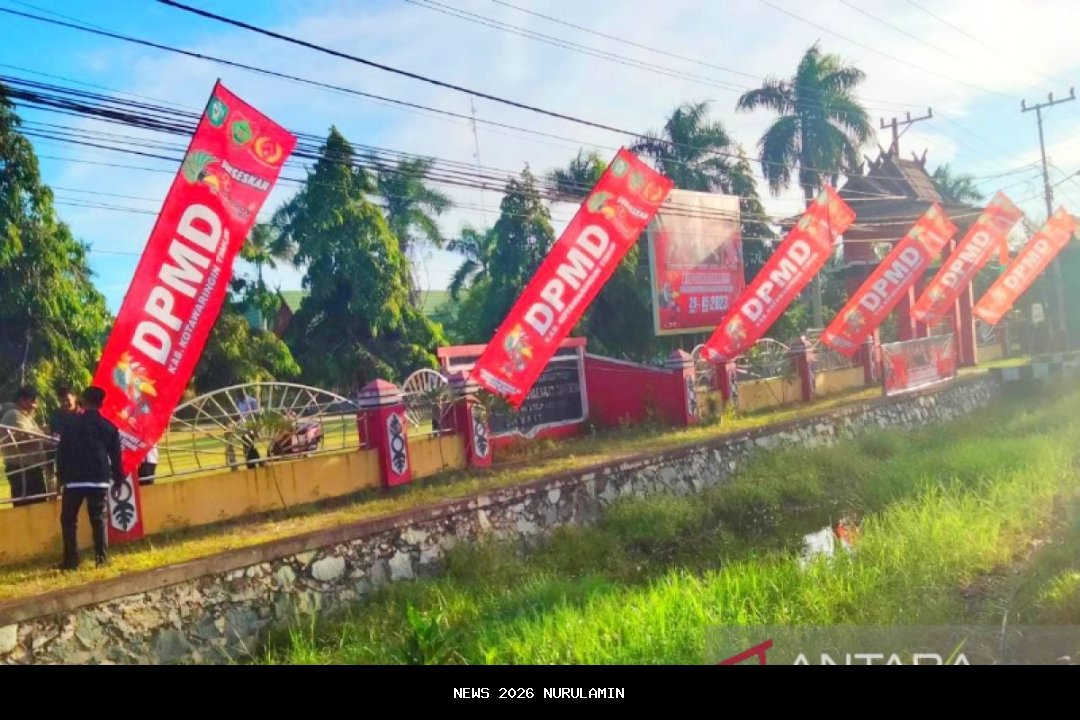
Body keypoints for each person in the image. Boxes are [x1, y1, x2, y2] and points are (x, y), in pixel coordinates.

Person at [55, 386, 123, 570]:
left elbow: (61, 453)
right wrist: (118, 480)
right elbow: (116, 456)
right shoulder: (109, 427)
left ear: (82, 401)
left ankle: (71, 561)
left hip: (74, 478)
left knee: (69, 520)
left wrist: (59, 477)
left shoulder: (70, 425)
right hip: (98, 478)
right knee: (99, 519)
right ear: (102, 404)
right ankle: (102, 559)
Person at [1, 387, 50, 507]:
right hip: (22, 469)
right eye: (33, 400)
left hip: (32, 469)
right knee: (26, 505)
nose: (35, 404)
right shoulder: (14, 415)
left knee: (39, 504)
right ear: (22, 400)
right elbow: (26, 436)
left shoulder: (26, 417)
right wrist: (44, 435)